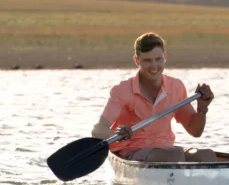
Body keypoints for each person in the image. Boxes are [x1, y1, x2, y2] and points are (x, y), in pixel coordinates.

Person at [92, 32, 217, 163]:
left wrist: (202, 109)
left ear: (165, 57)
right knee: (174, 156)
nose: (154, 66)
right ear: (137, 60)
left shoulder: (176, 86)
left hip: (167, 150)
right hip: (131, 151)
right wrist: (116, 135)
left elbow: (195, 131)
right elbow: (98, 130)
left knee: (207, 155)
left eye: (158, 59)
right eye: (147, 60)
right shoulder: (122, 90)